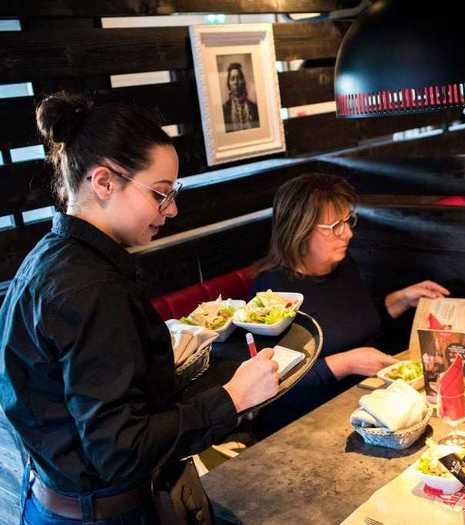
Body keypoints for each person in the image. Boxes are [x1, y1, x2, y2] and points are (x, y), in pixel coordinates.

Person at [0, 92, 280, 524]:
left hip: (51, 501)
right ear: (104, 182)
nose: (172, 210)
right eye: (160, 194)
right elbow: (120, 448)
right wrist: (233, 398)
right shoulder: (90, 286)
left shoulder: (49, 256)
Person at [251, 173, 450, 436]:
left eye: (347, 221)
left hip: (367, 407)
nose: (348, 233)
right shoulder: (272, 294)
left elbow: (352, 322)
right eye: (335, 226)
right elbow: (273, 382)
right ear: (300, 230)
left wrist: (401, 299)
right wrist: (347, 363)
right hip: (305, 425)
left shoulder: (343, 266)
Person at [222, 62, 259, 133]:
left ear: (243, 81)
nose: (236, 82)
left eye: (238, 78)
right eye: (232, 79)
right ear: (228, 84)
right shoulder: (224, 109)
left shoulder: (254, 108)